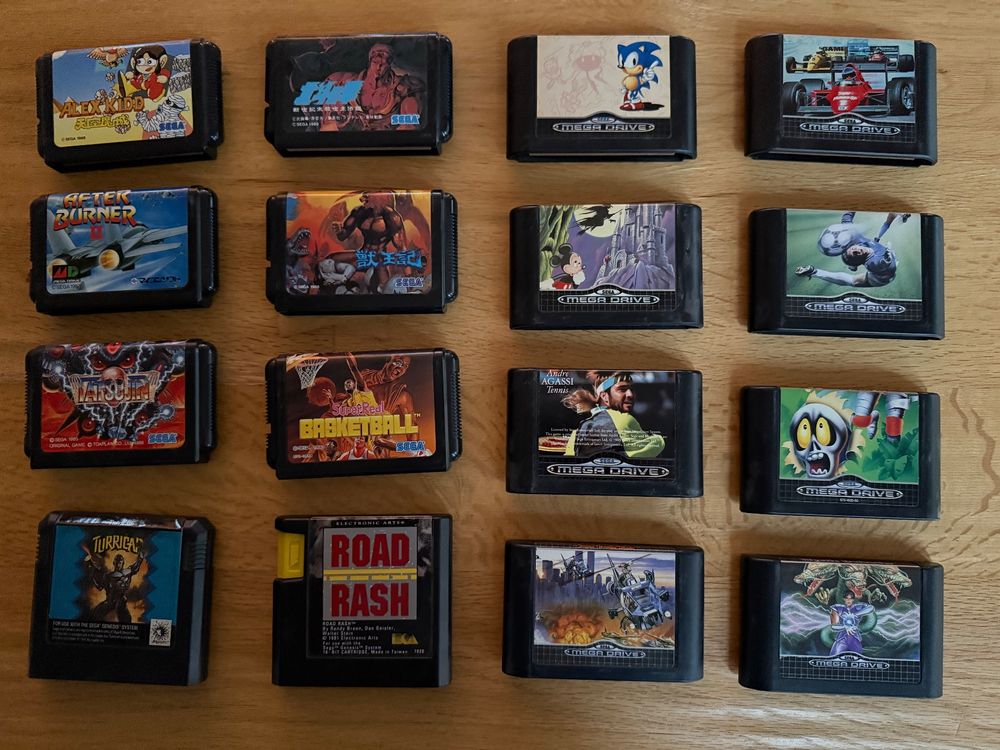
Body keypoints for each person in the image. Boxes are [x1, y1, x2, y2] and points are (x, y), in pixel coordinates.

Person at [563, 372, 665, 459]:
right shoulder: (625, 419)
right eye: (622, 389)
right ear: (604, 396)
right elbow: (654, 447)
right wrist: (658, 439)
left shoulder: (576, 433)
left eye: (631, 389)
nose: (630, 394)